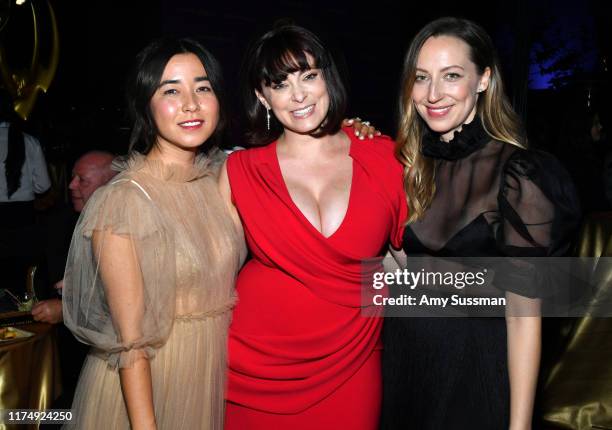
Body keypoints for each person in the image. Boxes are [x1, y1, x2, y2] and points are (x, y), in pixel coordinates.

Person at [380, 17, 581, 429]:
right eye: (421, 78)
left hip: (474, 377)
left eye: (451, 76)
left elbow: (524, 320)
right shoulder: (407, 166)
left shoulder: (518, 174)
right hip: (405, 370)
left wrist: (519, 426)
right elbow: (399, 275)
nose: (433, 94)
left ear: (484, 80)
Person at [219, 25, 407, 429]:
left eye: (308, 75)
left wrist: (521, 293)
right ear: (261, 96)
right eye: (280, 84)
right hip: (253, 368)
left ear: (327, 78)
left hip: (353, 362)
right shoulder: (240, 172)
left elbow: (411, 267)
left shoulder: (384, 157)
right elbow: (205, 275)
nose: (299, 94)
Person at [62, 38, 245, 429]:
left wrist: (343, 132)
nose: (191, 103)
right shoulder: (124, 201)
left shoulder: (222, 179)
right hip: (149, 392)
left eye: (203, 87)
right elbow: (131, 344)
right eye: (171, 91)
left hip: (212, 381)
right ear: (146, 104)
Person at [32, 150, 116, 324]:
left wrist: (67, 310)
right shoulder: (61, 221)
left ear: (110, 185)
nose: (71, 185)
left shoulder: (122, 231)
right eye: (72, 177)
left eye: (82, 180)